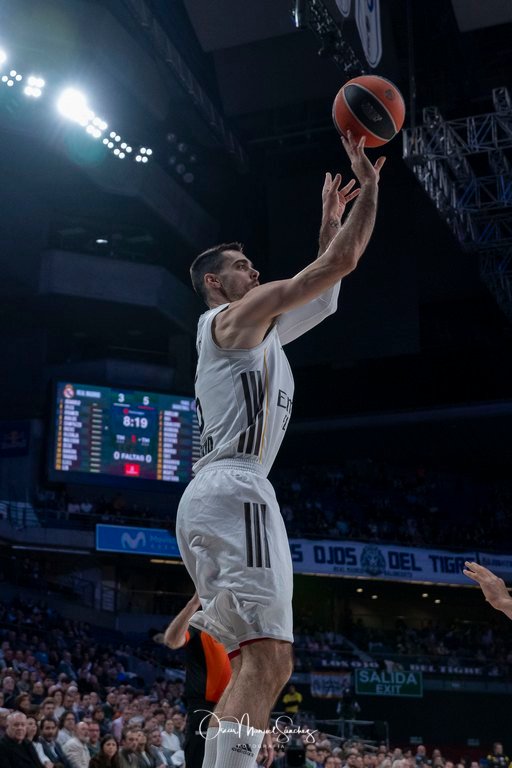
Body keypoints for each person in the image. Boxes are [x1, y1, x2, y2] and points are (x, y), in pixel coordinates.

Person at [176, 130, 384, 768]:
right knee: (270, 660)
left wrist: (330, 221)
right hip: (236, 489)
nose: (256, 271)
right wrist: (370, 187)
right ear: (217, 282)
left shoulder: (259, 332)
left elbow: (326, 290)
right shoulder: (231, 320)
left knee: (255, 662)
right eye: (243, 266)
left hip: (216, 495)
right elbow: (338, 266)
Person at [160, 592, 231, 768]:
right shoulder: (200, 623)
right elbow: (171, 641)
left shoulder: (241, 629)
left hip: (235, 711)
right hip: (205, 709)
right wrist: (192, 604)